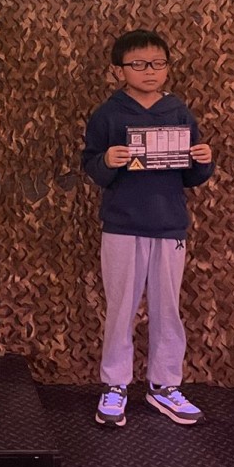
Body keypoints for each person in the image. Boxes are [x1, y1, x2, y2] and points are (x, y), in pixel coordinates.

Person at [80, 29, 214, 427]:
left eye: (158, 63)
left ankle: (164, 385)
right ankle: (115, 384)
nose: (149, 71)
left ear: (168, 67)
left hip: (170, 225)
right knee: (120, 308)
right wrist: (107, 160)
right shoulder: (108, 113)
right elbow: (92, 168)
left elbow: (192, 175)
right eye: (138, 64)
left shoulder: (178, 111)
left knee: (167, 309)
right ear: (118, 70)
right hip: (121, 226)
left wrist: (203, 160)